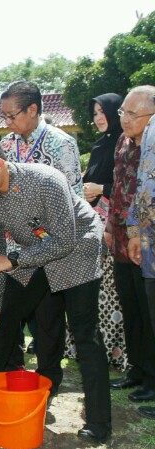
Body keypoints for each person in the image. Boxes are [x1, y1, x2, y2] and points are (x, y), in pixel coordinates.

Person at [0, 134, 111, 444]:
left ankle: (99, 421)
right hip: (35, 254)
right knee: (0, 324)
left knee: (85, 334)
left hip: (78, 248)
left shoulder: (45, 180)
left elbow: (63, 241)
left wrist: (13, 260)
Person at [0, 80, 82, 390]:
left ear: (33, 110)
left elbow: (73, 198)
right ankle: (8, 375)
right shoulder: (6, 145)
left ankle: (48, 382)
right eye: (4, 115)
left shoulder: (60, 144)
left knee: (48, 321)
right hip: (14, 248)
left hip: (50, 250)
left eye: (12, 115)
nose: (7, 122)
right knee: (9, 316)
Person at [70, 93, 127, 369]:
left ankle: (117, 351)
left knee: (113, 291)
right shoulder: (100, 145)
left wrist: (100, 189)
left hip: (116, 227)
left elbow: (127, 184)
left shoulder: (125, 144)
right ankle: (94, 347)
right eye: (94, 113)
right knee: (94, 287)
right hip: (94, 226)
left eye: (103, 111)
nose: (98, 117)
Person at [109, 86, 155, 403]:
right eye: (123, 112)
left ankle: (153, 378)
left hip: (148, 242)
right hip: (123, 241)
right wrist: (111, 226)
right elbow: (116, 187)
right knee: (131, 309)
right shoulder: (123, 143)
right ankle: (137, 368)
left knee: (149, 310)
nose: (125, 119)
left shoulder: (151, 147)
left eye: (132, 114)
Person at [127, 89, 155, 420]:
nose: (126, 119)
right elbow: (143, 188)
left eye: (133, 113)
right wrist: (135, 231)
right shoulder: (145, 136)